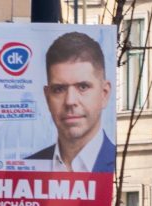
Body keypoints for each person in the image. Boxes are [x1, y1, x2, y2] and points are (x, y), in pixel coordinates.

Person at [26, 32, 116, 173]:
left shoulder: (121, 163)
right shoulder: (27, 170)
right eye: (59, 89)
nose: (70, 101)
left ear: (104, 93)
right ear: (47, 97)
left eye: (83, 87)